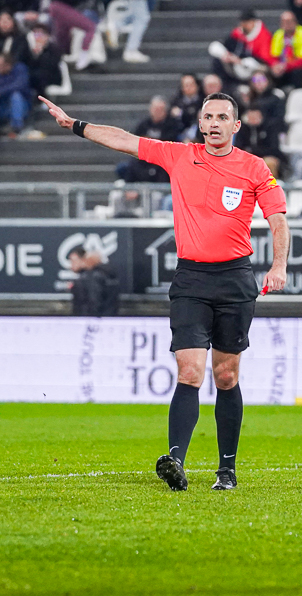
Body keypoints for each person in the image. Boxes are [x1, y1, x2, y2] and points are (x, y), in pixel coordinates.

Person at [41, 91, 289, 492]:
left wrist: (278, 266)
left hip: (235, 279)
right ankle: (175, 461)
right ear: (200, 123)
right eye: (208, 117)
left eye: (222, 117)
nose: (213, 123)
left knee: (226, 375)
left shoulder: (254, 167)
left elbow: (278, 219)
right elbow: (125, 140)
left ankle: (226, 470)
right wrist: (76, 125)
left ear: (236, 125)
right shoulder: (179, 155)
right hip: (191, 279)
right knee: (189, 370)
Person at [115, 96, 181, 182]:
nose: (157, 112)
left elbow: (171, 142)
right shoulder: (144, 124)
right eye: (155, 109)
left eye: (160, 109)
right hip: (143, 158)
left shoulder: (172, 125)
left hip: (162, 159)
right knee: (124, 167)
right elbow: (135, 139)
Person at [209, 9, 275, 85]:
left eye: (246, 23)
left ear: (253, 22)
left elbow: (263, 62)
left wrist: (241, 62)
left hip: (252, 70)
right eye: (242, 23)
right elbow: (223, 46)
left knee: (258, 74)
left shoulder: (264, 37)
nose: (243, 25)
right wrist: (226, 55)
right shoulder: (237, 34)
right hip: (234, 68)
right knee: (218, 60)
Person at [269, 10, 302, 89]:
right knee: (270, 74)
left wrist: (285, 67)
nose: (287, 24)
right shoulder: (278, 35)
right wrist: (276, 67)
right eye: (284, 22)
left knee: (297, 74)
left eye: (289, 21)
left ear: (295, 22)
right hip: (285, 69)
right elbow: (274, 56)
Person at [68, 246, 119, 317]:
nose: (71, 265)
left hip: (91, 319)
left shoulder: (92, 277)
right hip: (107, 318)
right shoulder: (105, 275)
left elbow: (93, 302)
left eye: (73, 261)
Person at [0, 52, 30, 138]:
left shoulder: (20, 69)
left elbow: (19, 85)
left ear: (8, 65)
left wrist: (2, 91)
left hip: (20, 105)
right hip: (3, 105)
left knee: (15, 96)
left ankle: (17, 127)